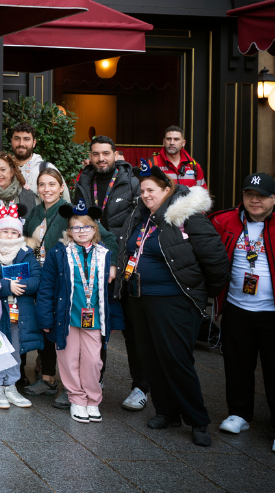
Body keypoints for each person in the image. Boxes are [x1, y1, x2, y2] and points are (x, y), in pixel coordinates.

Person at [115, 159, 228, 446]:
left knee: (177, 361)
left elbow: (216, 262)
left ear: (167, 190)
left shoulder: (186, 216)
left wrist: (198, 296)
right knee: (151, 358)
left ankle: (198, 420)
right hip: (140, 300)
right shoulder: (142, 216)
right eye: (142, 191)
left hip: (174, 302)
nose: (146, 195)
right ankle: (166, 412)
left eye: (151, 190)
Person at [74, 135, 146, 410]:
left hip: (124, 265)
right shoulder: (83, 181)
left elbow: (137, 224)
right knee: (95, 326)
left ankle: (140, 387)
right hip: (92, 264)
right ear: (90, 156)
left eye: (106, 153)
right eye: (96, 154)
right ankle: (96, 379)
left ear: (116, 155)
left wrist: (119, 259)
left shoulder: (132, 183)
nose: (101, 158)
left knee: (132, 329)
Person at [211, 173, 275, 445]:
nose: (254, 200)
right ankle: (239, 413)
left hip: (271, 312)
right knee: (237, 365)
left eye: (261, 195)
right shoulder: (224, 220)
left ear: (273, 198)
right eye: (249, 194)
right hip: (236, 308)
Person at [37, 199, 113, 424]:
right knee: (69, 359)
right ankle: (77, 399)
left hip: (93, 319)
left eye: (86, 226)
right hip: (67, 318)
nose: (82, 231)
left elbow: (108, 294)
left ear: (94, 229)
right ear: (69, 231)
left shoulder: (104, 254)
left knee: (93, 361)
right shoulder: (59, 253)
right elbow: (47, 287)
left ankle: (92, 399)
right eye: (76, 227)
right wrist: (45, 318)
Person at [0, 205, 39, 411]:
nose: (9, 235)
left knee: (15, 350)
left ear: (19, 234)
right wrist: (7, 286)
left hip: (19, 311)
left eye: (13, 232)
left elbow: (37, 279)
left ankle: (11, 385)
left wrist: (21, 286)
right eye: (4, 231)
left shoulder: (26, 253)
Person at [151, 125, 206, 189]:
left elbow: (203, 192)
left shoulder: (194, 166)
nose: (172, 143)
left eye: (176, 139)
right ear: (164, 142)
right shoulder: (151, 164)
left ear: (183, 143)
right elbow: (144, 191)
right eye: (169, 139)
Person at [9, 122, 53, 188]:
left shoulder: (47, 169)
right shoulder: (2, 168)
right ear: (11, 141)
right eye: (17, 139)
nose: (21, 144)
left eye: (26, 139)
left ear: (34, 143)